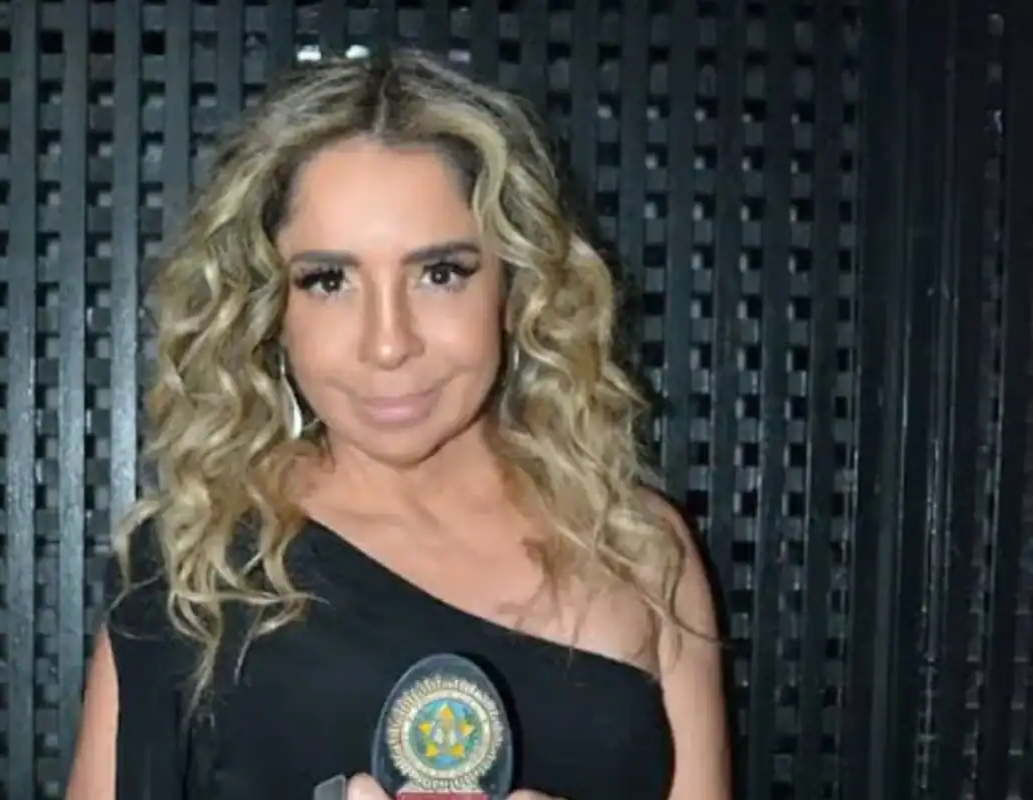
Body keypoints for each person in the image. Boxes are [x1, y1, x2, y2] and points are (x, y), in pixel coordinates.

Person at [66, 47, 729, 800]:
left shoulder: (637, 547)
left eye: (440, 274)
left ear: (517, 286)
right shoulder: (195, 564)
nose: (389, 343)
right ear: (269, 307)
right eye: (329, 281)